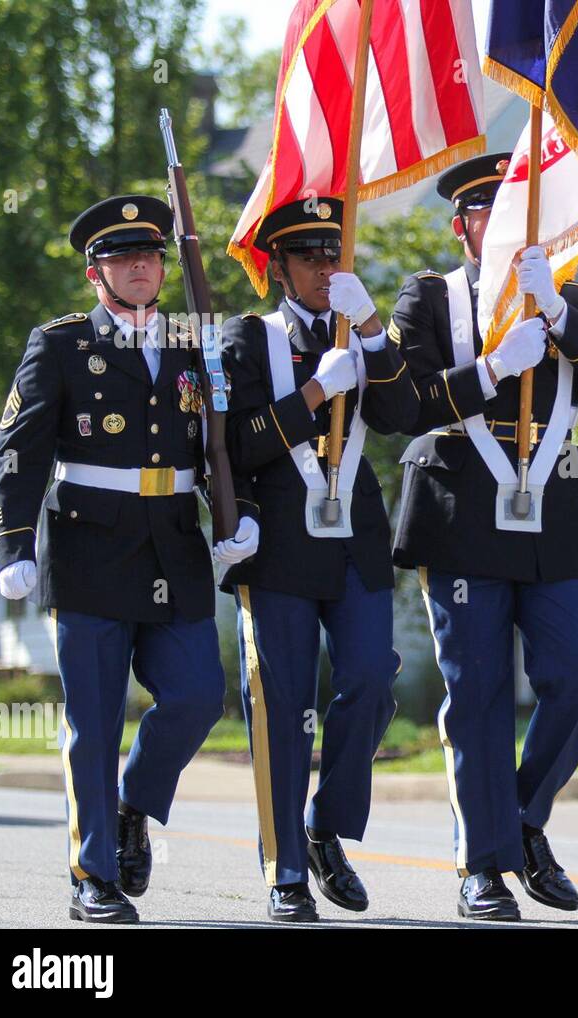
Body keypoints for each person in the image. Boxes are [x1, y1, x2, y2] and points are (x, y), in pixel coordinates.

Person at [388, 153, 578, 920]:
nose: (498, 228)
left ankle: (521, 821)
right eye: (484, 215)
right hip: (462, 513)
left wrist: (561, 320)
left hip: (551, 515)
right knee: (479, 692)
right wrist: (492, 369)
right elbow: (399, 403)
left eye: (515, 213)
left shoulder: (571, 297)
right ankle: (482, 865)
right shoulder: (429, 299)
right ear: (461, 226)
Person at [0, 195, 252, 922]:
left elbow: (229, 448)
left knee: (199, 695)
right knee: (95, 722)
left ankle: (136, 802)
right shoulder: (63, 344)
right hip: (89, 548)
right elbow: (20, 449)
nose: (141, 267)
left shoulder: (192, 338)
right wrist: (15, 542)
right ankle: (92, 876)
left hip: (174, 541)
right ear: (93, 273)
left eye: (150, 256)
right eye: (123, 258)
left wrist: (243, 516)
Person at [219, 196, 419, 921]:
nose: (324, 267)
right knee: (283, 707)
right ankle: (286, 870)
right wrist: (313, 392)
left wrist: (370, 330)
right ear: (278, 270)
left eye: (332, 253)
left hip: (353, 544)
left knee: (369, 678)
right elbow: (236, 445)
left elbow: (402, 417)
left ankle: (326, 825)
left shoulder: (362, 333)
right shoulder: (247, 340)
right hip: (278, 548)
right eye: (308, 256)